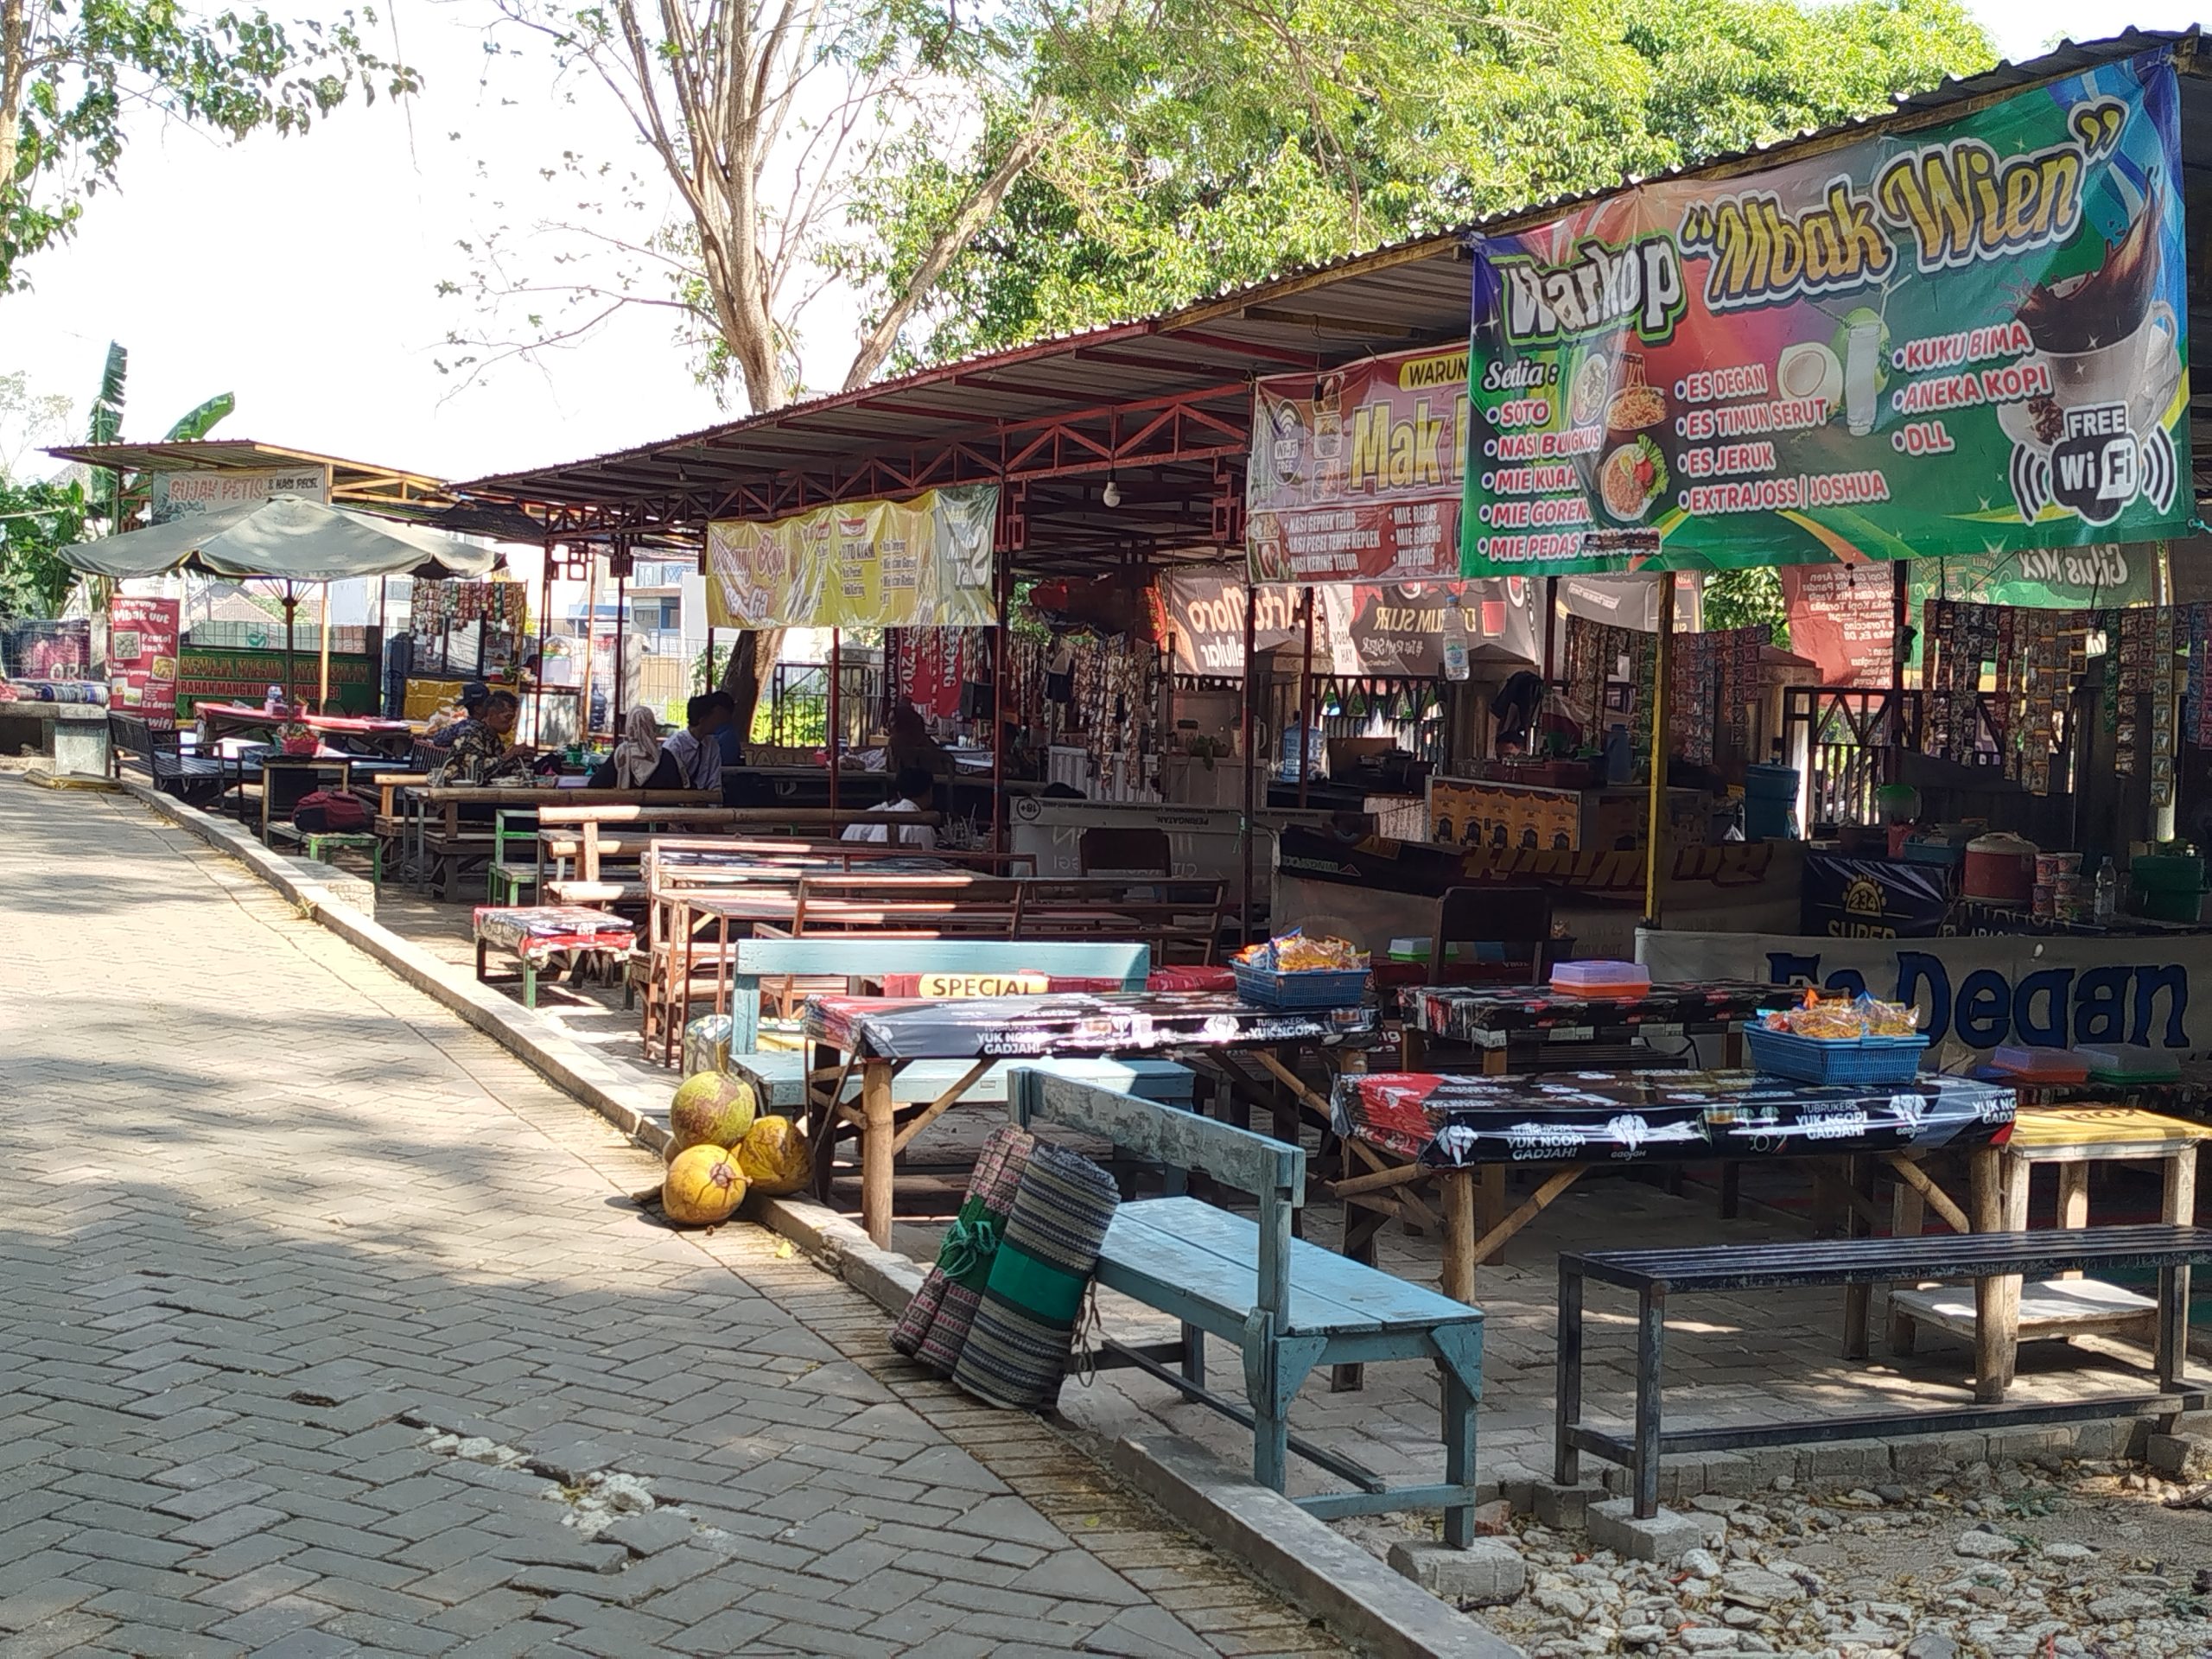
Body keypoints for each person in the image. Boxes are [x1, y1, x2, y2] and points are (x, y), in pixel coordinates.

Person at [429, 690, 535, 785]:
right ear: (491, 714)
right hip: (458, 797)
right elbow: (475, 772)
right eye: (508, 718)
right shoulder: (472, 734)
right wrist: (508, 755)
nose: (510, 723)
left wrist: (523, 759)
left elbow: (501, 769)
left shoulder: (493, 738)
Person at [842, 764, 938, 849]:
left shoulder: (881, 819)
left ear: (899, 794)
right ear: (928, 793)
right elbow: (927, 856)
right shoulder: (923, 826)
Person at [588, 703, 679, 790]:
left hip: (630, 806)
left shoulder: (622, 754)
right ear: (652, 726)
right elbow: (679, 786)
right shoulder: (667, 756)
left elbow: (596, 784)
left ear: (629, 727)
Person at [660, 691, 729, 793]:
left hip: (707, 802)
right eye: (715, 718)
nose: (718, 722)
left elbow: (715, 782)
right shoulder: (674, 746)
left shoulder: (712, 745)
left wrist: (714, 804)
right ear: (702, 719)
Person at [423, 681, 493, 748]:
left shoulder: (462, 727)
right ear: (477, 709)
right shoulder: (490, 728)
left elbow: (438, 739)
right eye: (489, 705)